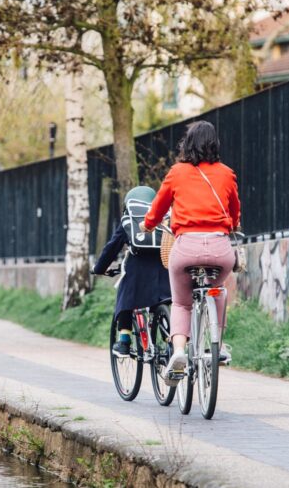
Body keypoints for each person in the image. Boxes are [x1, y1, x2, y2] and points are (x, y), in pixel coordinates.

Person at [140, 120, 241, 384]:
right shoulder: (227, 173)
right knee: (218, 291)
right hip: (220, 249)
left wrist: (148, 224)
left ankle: (180, 352)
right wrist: (232, 224)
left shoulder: (177, 172)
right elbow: (234, 212)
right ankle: (217, 345)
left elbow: (159, 207)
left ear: (187, 144)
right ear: (214, 144)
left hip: (186, 248)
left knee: (182, 303)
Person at [92, 186, 172, 356]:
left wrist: (99, 268)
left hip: (137, 272)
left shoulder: (129, 219)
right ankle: (170, 341)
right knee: (162, 303)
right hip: (165, 268)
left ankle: (124, 341)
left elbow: (112, 248)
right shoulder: (163, 217)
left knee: (125, 297)